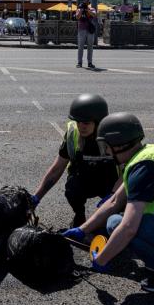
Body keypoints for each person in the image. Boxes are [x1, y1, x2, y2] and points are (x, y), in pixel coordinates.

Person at [64, 112, 154, 292]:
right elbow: (114, 202)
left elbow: (128, 228)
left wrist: (101, 259)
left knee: (116, 224)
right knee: (119, 219)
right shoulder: (149, 154)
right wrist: (82, 230)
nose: (107, 152)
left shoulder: (141, 170)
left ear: (118, 145)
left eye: (107, 146)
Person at [32, 94, 119, 228]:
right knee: (72, 188)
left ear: (98, 122)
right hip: (84, 179)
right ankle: (79, 215)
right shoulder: (73, 133)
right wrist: (36, 198)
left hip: (111, 183)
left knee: (112, 223)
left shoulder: (113, 137)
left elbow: (128, 173)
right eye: (78, 122)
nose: (80, 126)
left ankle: (107, 216)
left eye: (86, 123)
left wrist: (114, 197)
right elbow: (57, 168)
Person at [75, 0, 97, 69]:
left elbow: (94, 15)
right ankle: (79, 62)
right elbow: (77, 17)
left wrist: (87, 9)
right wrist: (81, 10)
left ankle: (90, 62)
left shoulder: (92, 9)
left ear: (88, 2)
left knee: (90, 47)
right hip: (81, 30)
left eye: (86, 0)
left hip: (90, 30)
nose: (85, 2)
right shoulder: (79, 9)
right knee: (80, 47)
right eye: (84, 0)